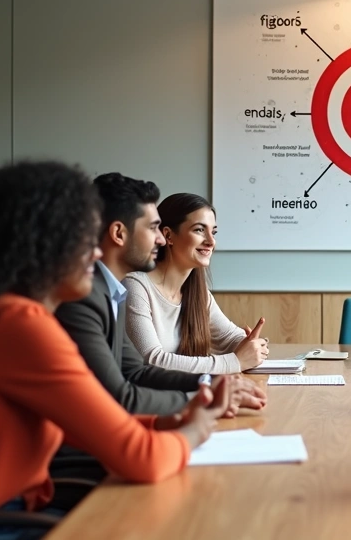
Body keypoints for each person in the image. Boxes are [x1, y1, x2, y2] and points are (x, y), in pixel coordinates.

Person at [0, 162, 232, 535]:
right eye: (83, 240)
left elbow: (84, 423)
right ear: (43, 247)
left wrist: (169, 421)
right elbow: (141, 458)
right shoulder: (18, 325)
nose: (96, 253)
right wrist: (195, 430)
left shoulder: (12, 317)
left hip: (0, 515)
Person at [54, 173, 267, 415]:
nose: (160, 239)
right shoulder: (88, 298)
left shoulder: (113, 292)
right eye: (153, 228)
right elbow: (121, 395)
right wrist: (206, 397)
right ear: (119, 233)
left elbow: (137, 372)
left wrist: (211, 383)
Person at [125, 193, 269, 373]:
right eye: (200, 230)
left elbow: (229, 336)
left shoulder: (197, 292)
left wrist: (251, 344)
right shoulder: (135, 287)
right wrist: (236, 361)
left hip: (181, 389)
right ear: (168, 235)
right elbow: (153, 360)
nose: (211, 241)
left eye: (213, 232)